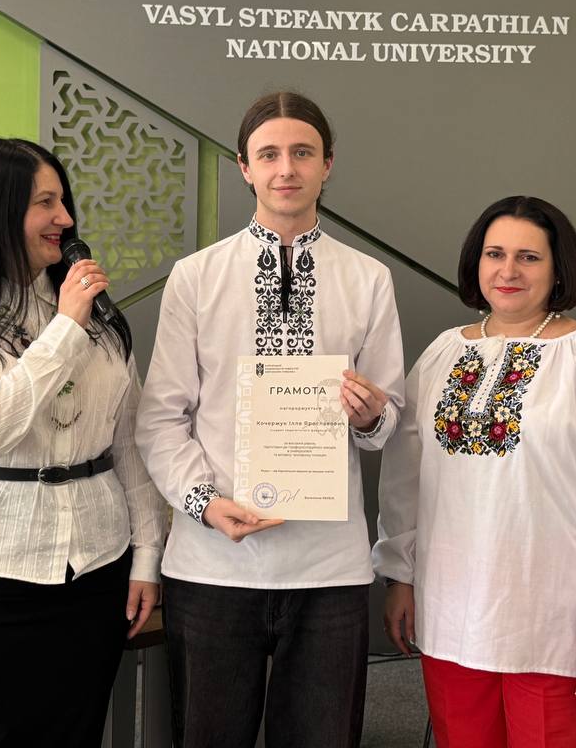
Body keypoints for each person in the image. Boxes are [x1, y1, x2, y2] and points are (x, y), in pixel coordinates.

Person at [135, 91, 405, 748]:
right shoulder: (197, 277)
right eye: (270, 154)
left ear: (327, 164)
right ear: (244, 167)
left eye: (303, 153)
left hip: (329, 568)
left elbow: (387, 423)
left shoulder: (368, 279)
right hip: (213, 562)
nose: (287, 168)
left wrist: (370, 414)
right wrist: (204, 504)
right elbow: (160, 419)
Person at [373, 196, 576, 748]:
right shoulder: (441, 354)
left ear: (559, 269)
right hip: (451, 623)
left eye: (528, 257)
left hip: (558, 633)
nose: (508, 271)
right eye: (495, 254)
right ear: (476, 263)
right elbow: (404, 482)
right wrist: (400, 576)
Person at [0, 138, 167, 748]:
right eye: (45, 203)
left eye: (63, 201)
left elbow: (131, 444)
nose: (65, 219)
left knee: (73, 732)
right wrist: (66, 327)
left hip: (95, 564)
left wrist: (147, 556)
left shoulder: (101, 322)